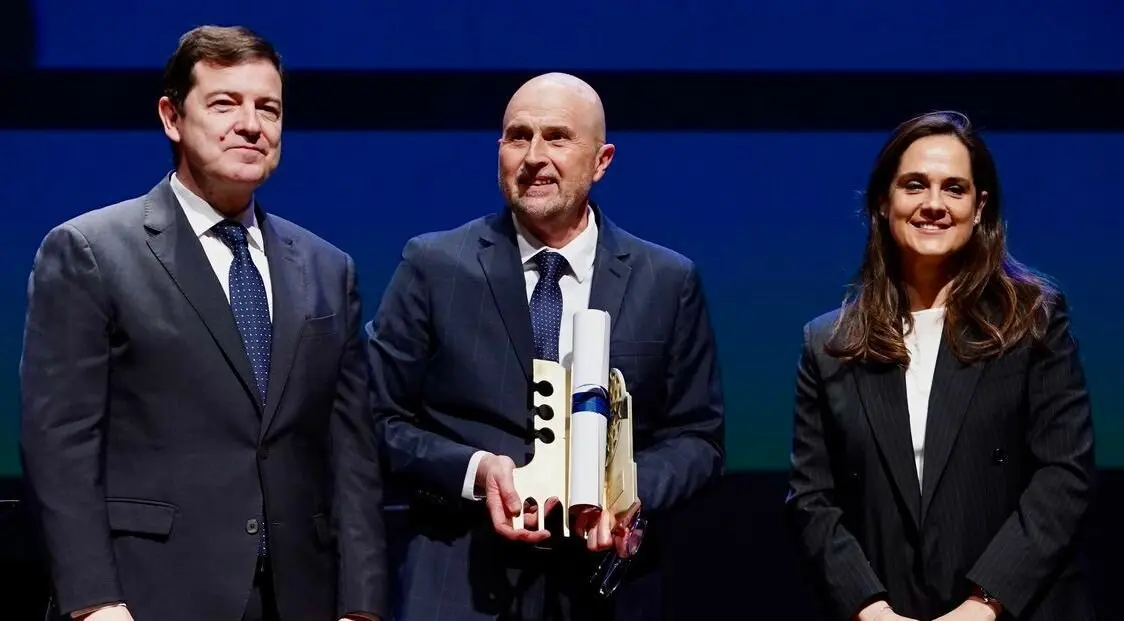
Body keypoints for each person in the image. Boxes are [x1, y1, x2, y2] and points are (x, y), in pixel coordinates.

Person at [19, 25, 387, 621]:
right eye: (225, 103)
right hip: (148, 594)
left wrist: (362, 605)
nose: (251, 124)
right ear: (172, 117)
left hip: (301, 596)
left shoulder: (327, 267)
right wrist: (92, 602)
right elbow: (59, 444)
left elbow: (352, 454)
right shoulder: (90, 250)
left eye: (268, 108)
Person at [366, 72, 724, 620]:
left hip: (607, 590)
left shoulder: (667, 280)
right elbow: (378, 417)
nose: (534, 156)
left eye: (557, 137)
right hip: (458, 583)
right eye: (518, 136)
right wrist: (476, 471)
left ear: (602, 160)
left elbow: (698, 438)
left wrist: (625, 493)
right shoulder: (435, 266)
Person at [784, 111, 1096, 621]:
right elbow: (811, 498)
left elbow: (1064, 475)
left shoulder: (1033, 320)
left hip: (1014, 608)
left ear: (980, 208)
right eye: (914, 185)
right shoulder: (830, 344)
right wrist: (870, 607)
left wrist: (984, 603)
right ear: (884, 203)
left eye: (954, 188)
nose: (933, 204)